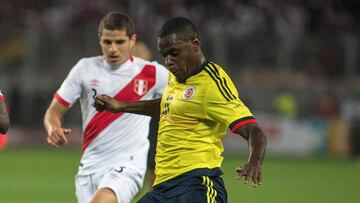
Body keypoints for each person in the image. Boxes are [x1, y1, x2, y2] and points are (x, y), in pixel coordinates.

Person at [95, 17, 267, 202]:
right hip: (163, 188)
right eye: (164, 55)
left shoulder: (212, 84)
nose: (168, 61)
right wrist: (121, 106)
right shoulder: (177, 76)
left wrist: (254, 162)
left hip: (197, 185)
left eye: (174, 53)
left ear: (195, 44)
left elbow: (253, 130)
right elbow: (168, 105)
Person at [43, 11, 168, 203]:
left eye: (119, 42)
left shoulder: (152, 73)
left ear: (132, 40)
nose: (113, 49)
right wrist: (53, 128)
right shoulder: (84, 69)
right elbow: (53, 111)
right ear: (99, 39)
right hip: (90, 166)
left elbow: (186, 96)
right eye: (107, 42)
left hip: (128, 164)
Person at [131, 40, 158, 187]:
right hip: (135, 133)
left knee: (155, 170)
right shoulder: (124, 79)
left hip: (153, 130)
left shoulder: (156, 76)